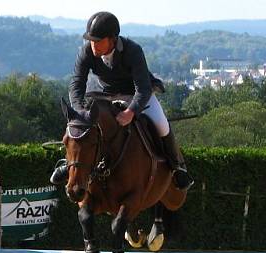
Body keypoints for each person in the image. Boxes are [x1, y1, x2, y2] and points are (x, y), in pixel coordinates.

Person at [51, 11, 193, 191]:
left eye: (98, 40)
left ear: (112, 39)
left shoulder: (133, 51)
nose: (93, 45)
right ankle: (68, 163)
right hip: (106, 95)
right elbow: (77, 83)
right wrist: (79, 110)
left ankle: (177, 167)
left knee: (161, 124)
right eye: (91, 40)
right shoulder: (86, 51)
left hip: (137, 95)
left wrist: (130, 112)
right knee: (78, 125)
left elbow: (143, 89)